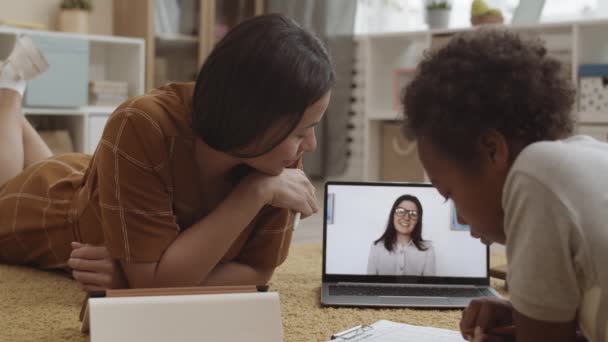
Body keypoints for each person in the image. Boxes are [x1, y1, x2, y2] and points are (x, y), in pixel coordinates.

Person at [0, 14, 333, 292]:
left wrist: (134, 280)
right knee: (7, 188)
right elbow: (157, 284)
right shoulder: (143, 123)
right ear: (252, 119)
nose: (311, 144)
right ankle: (11, 87)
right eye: (301, 131)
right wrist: (253, 192)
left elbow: (257, 274)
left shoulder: (277, 154)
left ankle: (14, 105)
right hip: (52, 210)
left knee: (48, 168)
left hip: (101, 182)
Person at [402, 28, 606, 342]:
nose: (459, 218)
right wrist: (530, 314)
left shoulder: (535, 174)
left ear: (492, 149)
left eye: (449, 194)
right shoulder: (589, 154)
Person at [367, 194, 435, 276]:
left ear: (418, 221)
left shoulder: (427, 249)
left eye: (413, 214)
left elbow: (428, 287)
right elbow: (370, 286)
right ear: (393, 215)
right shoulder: (377, 247)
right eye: (401, 211)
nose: (406, 217)